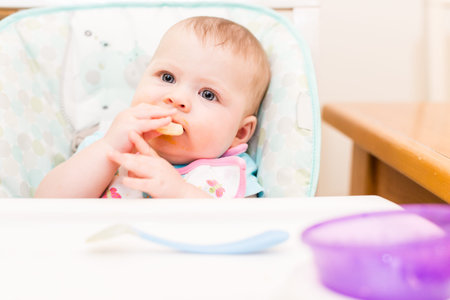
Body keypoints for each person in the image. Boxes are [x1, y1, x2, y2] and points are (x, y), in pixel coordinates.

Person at [35, 16, 271, 198]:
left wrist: (181, 193)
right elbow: (46, 202)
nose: (176, 98)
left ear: (239, 133)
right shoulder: (108, 145)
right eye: (167, 77)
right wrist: (108, 148)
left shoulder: (228, 172)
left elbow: (240, 230)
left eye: (208, 95)